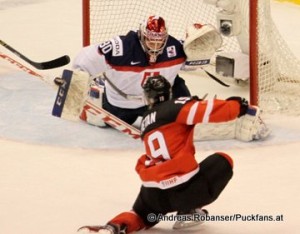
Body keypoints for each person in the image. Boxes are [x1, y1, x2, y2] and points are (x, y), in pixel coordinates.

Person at [77, 75, 255, 234]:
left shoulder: (145, 123)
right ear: (168, 93)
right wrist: (238, 106)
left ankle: (114, 226)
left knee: (140, 215)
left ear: (147, 97)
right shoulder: (176, 107)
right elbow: (209, 111)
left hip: (152, 191)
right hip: (186, 188)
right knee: (222, 161)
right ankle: (188, 211)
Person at [72, 15, 191, 126]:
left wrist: (200, 49)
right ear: (142, 36)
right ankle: (98, 91)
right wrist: (76, 79)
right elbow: (87, 57)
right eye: (151, 41)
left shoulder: (175, 47)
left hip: (156, 105)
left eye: (159, 42)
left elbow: (192, 64)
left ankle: (189, 111)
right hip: (121, 105)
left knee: (177, 83)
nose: (155, 46)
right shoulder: (121, 47)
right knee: (98, 121)